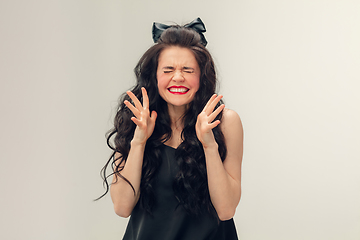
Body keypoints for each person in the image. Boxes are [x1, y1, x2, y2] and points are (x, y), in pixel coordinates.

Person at [99, 18, 244, 240]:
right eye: (168, 70)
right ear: (154, 76)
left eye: (188, 70)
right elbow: (122, 206)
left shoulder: (225, 121)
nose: (178, 77)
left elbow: (226, 210)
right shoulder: (135, 119)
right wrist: (139, 141)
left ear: (202, 76)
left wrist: (209, 145)